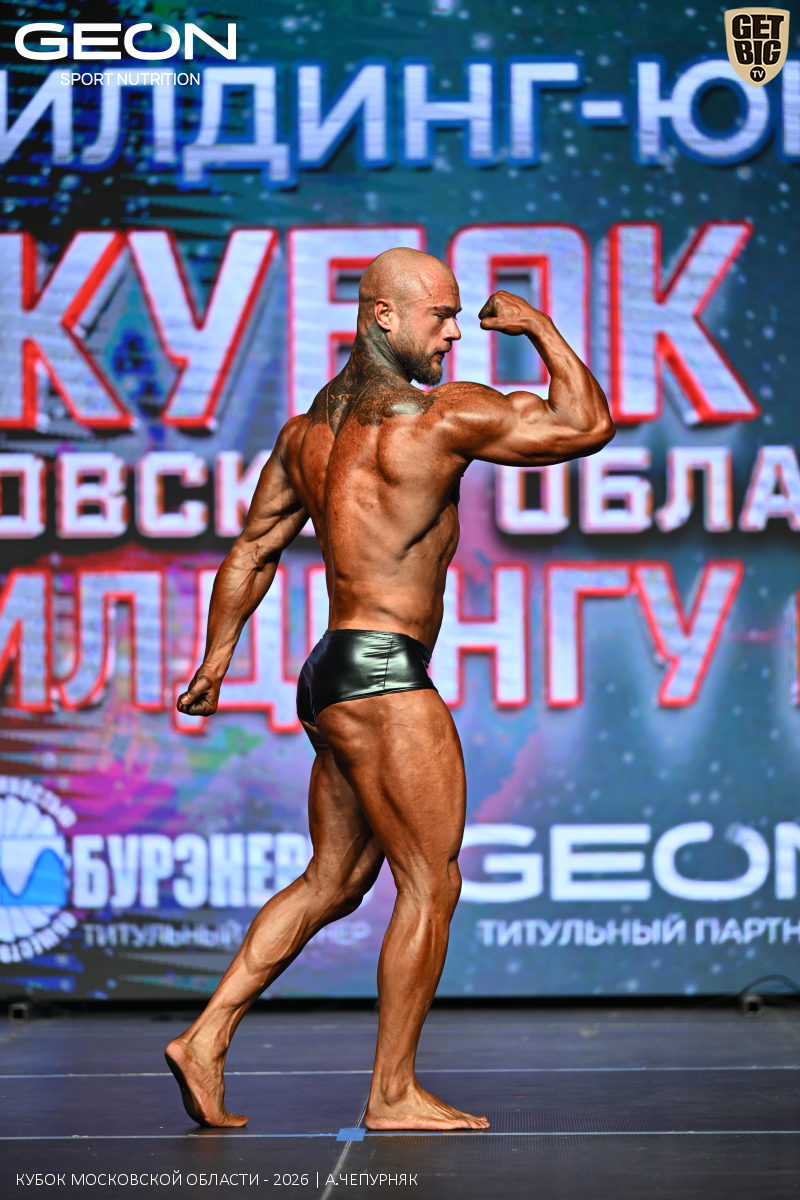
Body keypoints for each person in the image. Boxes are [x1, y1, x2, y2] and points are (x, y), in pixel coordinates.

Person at [165, 247, 614, 1131]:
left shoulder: (307, 433)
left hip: (331, 675)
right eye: (440, 315)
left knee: (333, 880)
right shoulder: (440, 418)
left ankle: (205, 1036)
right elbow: (584, 424)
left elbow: (253, 549)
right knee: (430, 883)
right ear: (382, 316)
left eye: (457, 316)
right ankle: (392, 1093)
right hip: (386, 678)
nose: (455, 333)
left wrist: (216, 660)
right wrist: (537, 328)